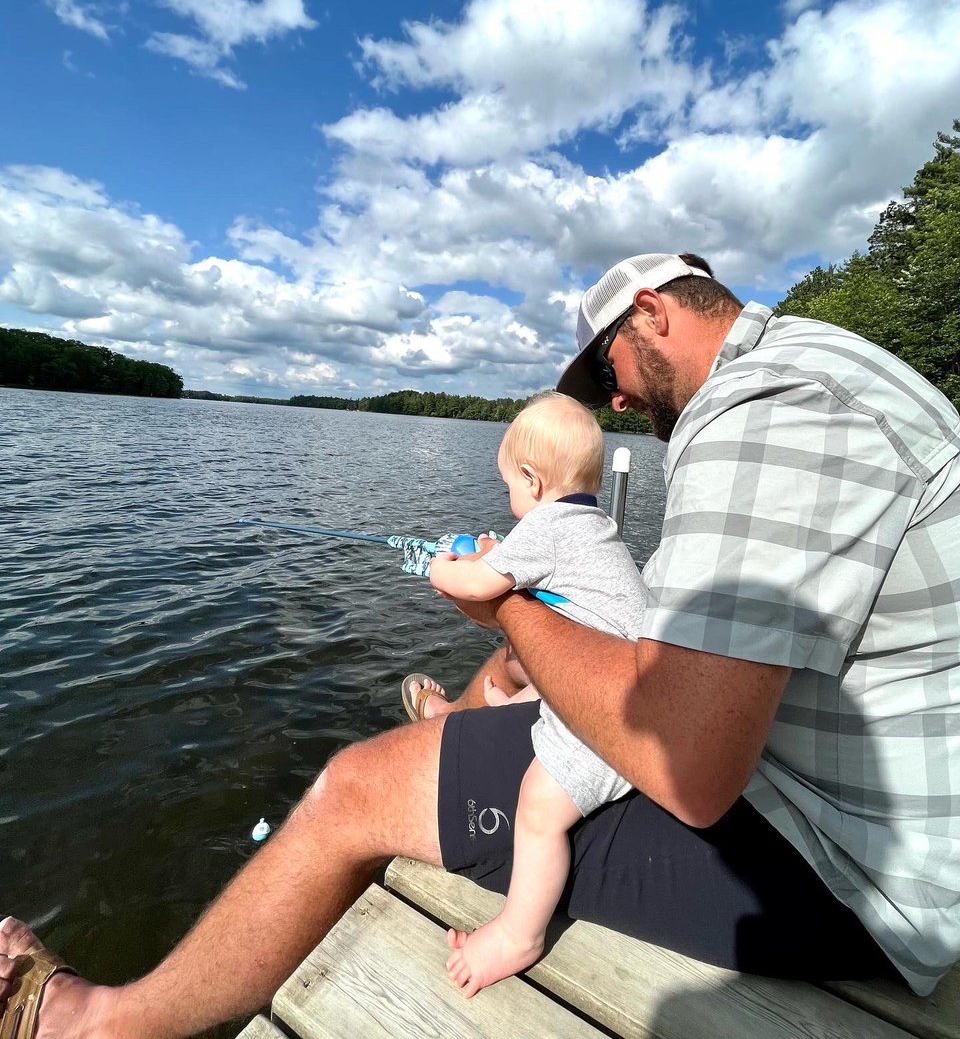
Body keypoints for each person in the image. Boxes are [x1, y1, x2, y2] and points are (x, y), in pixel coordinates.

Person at [4, 251, 960, 1039]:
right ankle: (455, 727)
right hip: (836, 792)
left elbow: (693, 766)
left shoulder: (763, 412)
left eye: (609, 370)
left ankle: (92, 1029)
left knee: (352, 788)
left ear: (651, 313)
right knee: (499, 686)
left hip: (851, 864)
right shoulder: (818, 366)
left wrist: (505, 609)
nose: (617, 403)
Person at [428, 391, 647, 996]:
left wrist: (439, 566)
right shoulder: (593, 525)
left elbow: (475, 583)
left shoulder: (547, 525)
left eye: (509, 487)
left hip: (614, 719)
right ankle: (517, 714)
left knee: (538, 809)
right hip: (623, 685)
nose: (511, 501)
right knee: (536, 665)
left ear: (531, 478)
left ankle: (518, 935)